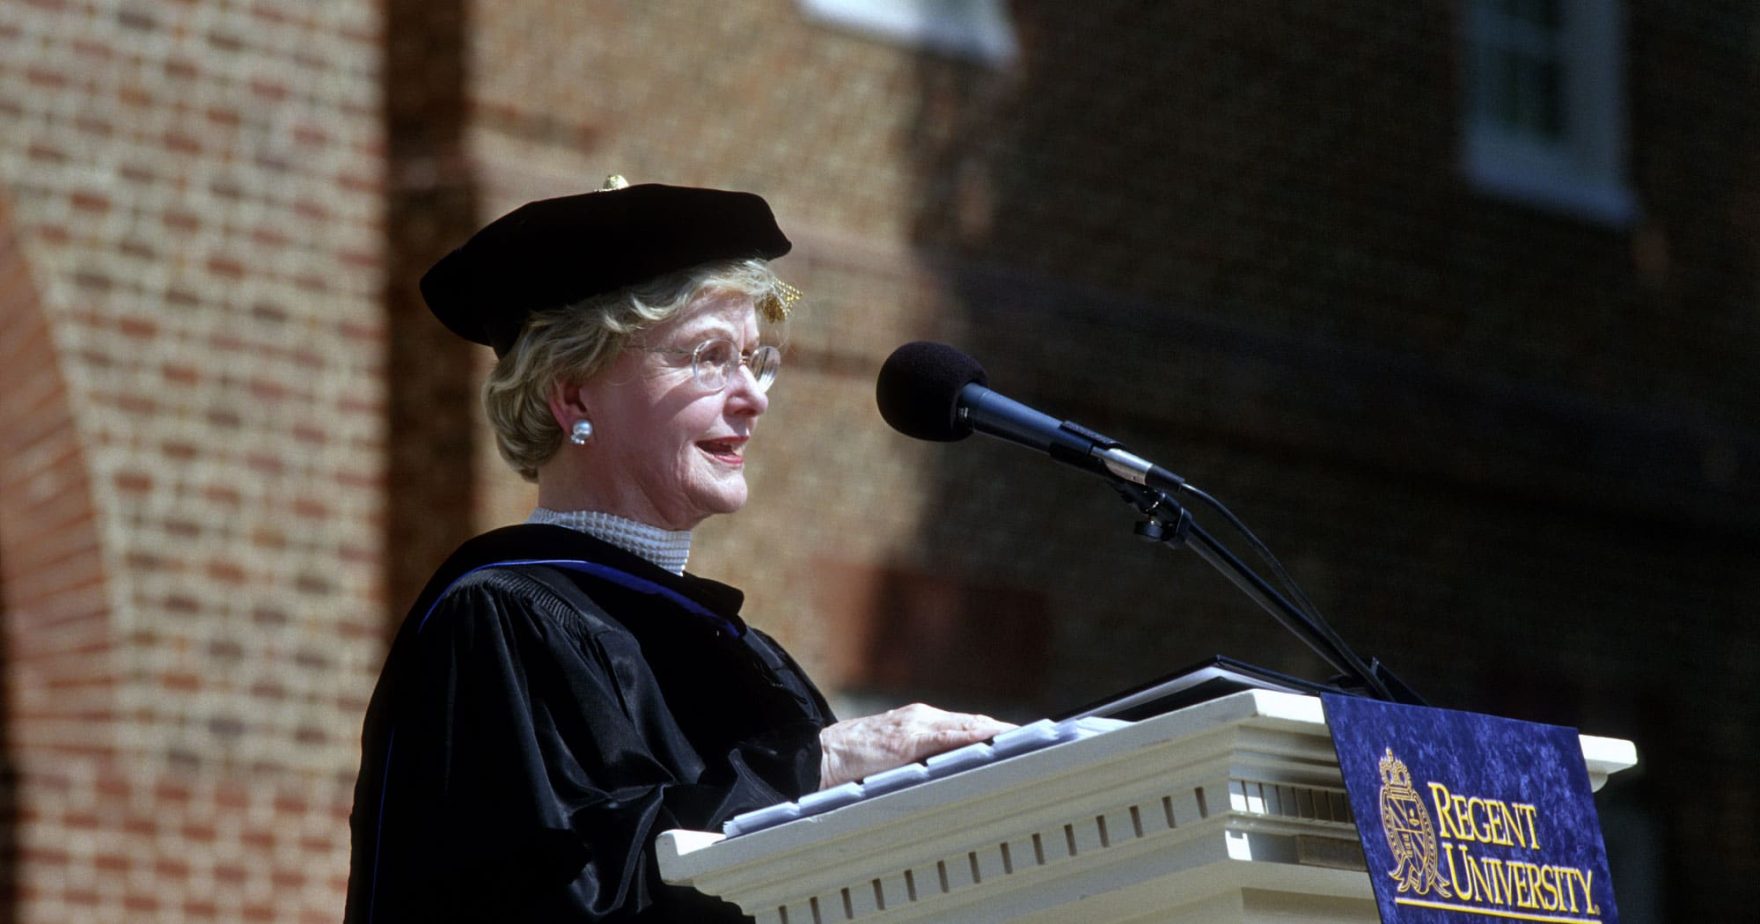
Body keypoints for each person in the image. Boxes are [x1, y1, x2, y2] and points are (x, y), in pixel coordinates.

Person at [345, 178, 1011, 922]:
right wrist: (819, 766)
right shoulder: (502, 622)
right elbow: (566, 896)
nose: (752, 396)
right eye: (706, 356)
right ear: (573, 395)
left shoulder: (753, 657)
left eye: (755, 360)